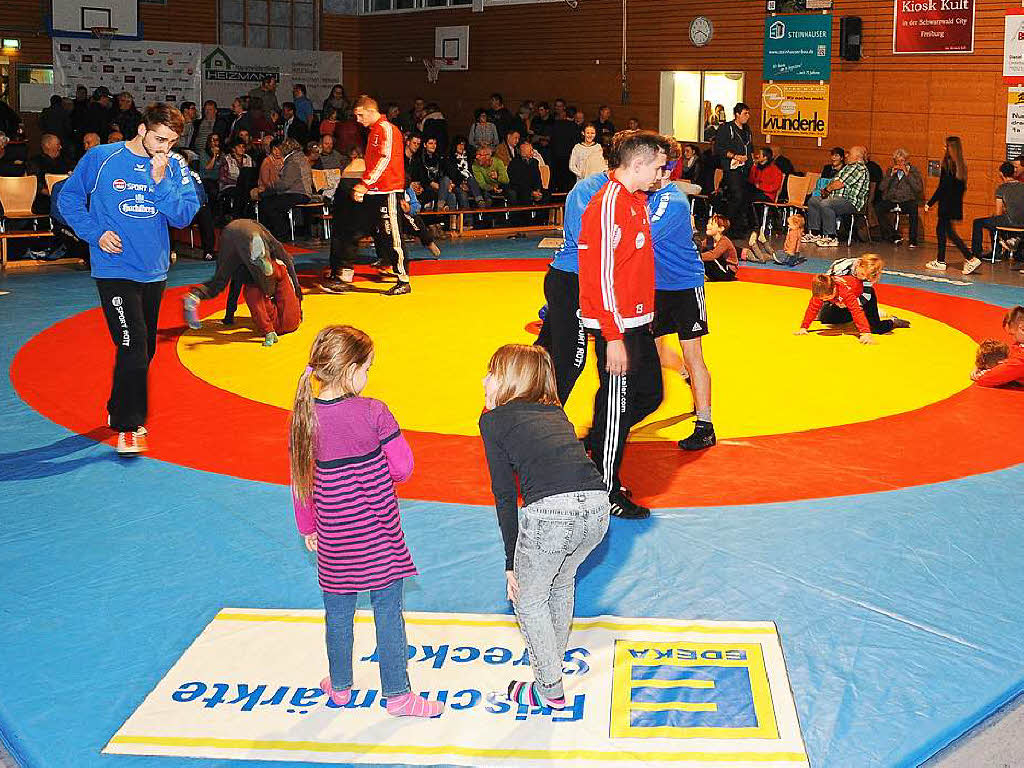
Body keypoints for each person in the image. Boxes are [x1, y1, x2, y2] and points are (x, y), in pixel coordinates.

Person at [289, 325, 445, 719]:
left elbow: (300, 481)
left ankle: (340, 687)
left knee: (337, 616)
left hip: (335, 538)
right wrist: (372, 471)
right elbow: (404, 467)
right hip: (379, 535)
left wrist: (307, 527)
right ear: (353, 370)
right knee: (388, 613)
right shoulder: (374, 410)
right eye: (369, 368)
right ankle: (397, 695)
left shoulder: (304, 417)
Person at [58, 103, 199, 455]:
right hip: (114, 268)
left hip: (153, 270)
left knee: (145, 349)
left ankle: (117, 405)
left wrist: (161, 180)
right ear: (142, 129)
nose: (164, 147)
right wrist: (94, 234)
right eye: (159, 138)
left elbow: (183, 216)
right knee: (133, 345)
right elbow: (68, 197)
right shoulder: (102, 158)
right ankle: (129, 424)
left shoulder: (175, 166)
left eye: (171, 141)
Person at [479, 344, 609, 709]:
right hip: (598, 509)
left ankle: (549, 686)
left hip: (553, 514)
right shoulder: (556, 413)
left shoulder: (493, 420)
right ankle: (552, 662)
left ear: (510, 381)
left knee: (528, 597)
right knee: (562, 581)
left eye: (492, 373)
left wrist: (510, 563)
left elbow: (505, 495)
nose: (484, 380)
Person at [577, 132, 666, 520]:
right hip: (619, 326)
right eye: (659, 167)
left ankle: (598, 443)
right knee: (616, 405)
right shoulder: (607, 204)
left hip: (636, 320)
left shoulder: (635, 200)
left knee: (650, 394)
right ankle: (605, 488)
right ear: (638, 164)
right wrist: (613, 336)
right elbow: (599, 276)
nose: (662, 174)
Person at [536, 130, 634, 405]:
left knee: (546, 351)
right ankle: (544, 422)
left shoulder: (628, 193)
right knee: (569, 360)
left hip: (584, 279)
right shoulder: (589, 190)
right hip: (574, 279)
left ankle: (524, 407)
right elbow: (589, 245)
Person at [647, 144, 718, 451]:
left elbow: (642, 236)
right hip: (657, 288)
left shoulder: (673, 201)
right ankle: (683, 375)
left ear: (663, 169)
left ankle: (705, 425)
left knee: (694, 354)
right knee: (655, 353)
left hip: (685, 287)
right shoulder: (648, 196)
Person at [183, 218, 300, 328]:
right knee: (265, 284)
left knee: (220, 280)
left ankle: (195, 296)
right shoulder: (272, 244)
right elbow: (288, 262)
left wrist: (229, 316)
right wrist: (298, 291)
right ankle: (263, 264)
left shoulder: (261, 233)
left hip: (228, 231)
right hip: (251, 234)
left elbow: (235, 282)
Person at [353, 95, 410, 296]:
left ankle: (403, 278)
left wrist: (364, 184)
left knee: (393, 232)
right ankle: (387, 263)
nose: (358, 120)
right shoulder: (374, 132)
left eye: (360, 115)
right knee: (381, 232)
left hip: (388, 189)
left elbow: (385, 160)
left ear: (370, 111)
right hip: (377, 190)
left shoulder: (386, 129)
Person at [803, 146, 870, 247]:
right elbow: (834, 182)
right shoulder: (848, 167)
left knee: (826, 203)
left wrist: (827, 190)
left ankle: (831, 237)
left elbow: (839, 183)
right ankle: (815, 233)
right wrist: (827, 190)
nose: (847, 155)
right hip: (836, 198)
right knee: (814, 200)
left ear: (857, 157)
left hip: (850, 202)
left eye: (849, 154)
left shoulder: (859, 168)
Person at [966, 161, 1024, 273]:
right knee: (993, 221)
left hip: (1010, 221)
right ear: (1014, 173)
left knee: (978, 222)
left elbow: (998, 212)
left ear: (1001, 174)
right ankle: (1006, 242)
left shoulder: (1001, 188)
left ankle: (977, 255)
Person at [925, 137, 970, 273]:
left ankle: (970, 257)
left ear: (951, 148)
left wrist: (930, 202)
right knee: (943, 231)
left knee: (949, 233)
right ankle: (940, 260)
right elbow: (962, 188)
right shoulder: (961, 165)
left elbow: (942, 187)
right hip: (954, 204)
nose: (944, 148)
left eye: (946, 146)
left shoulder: (948, 164)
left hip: (946, 204)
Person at [255, 137, 312, 241]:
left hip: (297, 193)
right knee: (269, 199)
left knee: (268, 204)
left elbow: (285, 184)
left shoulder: (293, 161)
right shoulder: (300, 158)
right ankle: (279, 231)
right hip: (299, 192)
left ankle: (281, 232)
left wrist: (272, 188)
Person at [713, 103, 754, 236]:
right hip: (732, 168)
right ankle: (727, 226)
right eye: (745, 114)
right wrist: (735, 156)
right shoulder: (726, 128)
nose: (747, 116)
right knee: (736, 196)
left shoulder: (747, 130)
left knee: (743, 198)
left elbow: (749, 147)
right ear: (737, 114)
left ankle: (738, 228)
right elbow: (719, 148)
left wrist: (751, 160)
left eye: (748, 113)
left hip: (744, 169)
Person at [875, 148, 924, 248]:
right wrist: (890, 176)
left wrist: (907, 174)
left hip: (907, 200)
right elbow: (881, 187)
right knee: (878, 208)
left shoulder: (914, 171)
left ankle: (913, 240)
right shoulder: (890, 170)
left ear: (906, 160)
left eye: (902, 161)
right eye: (897, 161)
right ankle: (893, 235)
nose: (900, 163)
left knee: (913, 208)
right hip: (892, 199)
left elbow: (918, 188)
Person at [27, 134, 71, 215]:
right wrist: (52, 194)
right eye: (58, 144)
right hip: (43, 201)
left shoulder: (64, 162)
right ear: (48, 145)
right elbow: (36, 184)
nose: (60, 147)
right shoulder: (35, 162)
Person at [443, 136, 485, 209]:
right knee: (463, 195)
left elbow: (473, 171)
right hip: (457, 183)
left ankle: (480, 201)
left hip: (471, 183)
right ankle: (468, 219)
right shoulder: (449, 158)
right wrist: (461, 184)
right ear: (455, 145)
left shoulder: (469, 157)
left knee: (471, 179)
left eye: (463, 144)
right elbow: (452, 174)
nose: (461, 146)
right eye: (459, 144)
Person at [699, 214, 738, 281]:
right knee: (702, 252)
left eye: (711, 224)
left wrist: (696, 256)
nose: (707, 226)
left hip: (727, 272)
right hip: (718, 266)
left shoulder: (724, 241)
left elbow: (713, 255)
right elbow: (699, 247)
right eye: (708, 223)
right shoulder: (709, 240)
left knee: (708, 257)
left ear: (721, 228)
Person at [508, 140, 546, 205]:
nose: (532, 152)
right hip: (521, 190)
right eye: (530, 150)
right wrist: (531, 192)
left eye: (532, 150)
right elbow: (517, 182)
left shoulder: (534, 162)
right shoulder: (514, 164)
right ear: (523, 152)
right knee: (522, 195)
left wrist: (538, 190)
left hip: (534, 189)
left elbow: (538, 178)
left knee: (546, 193)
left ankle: (542, 215)